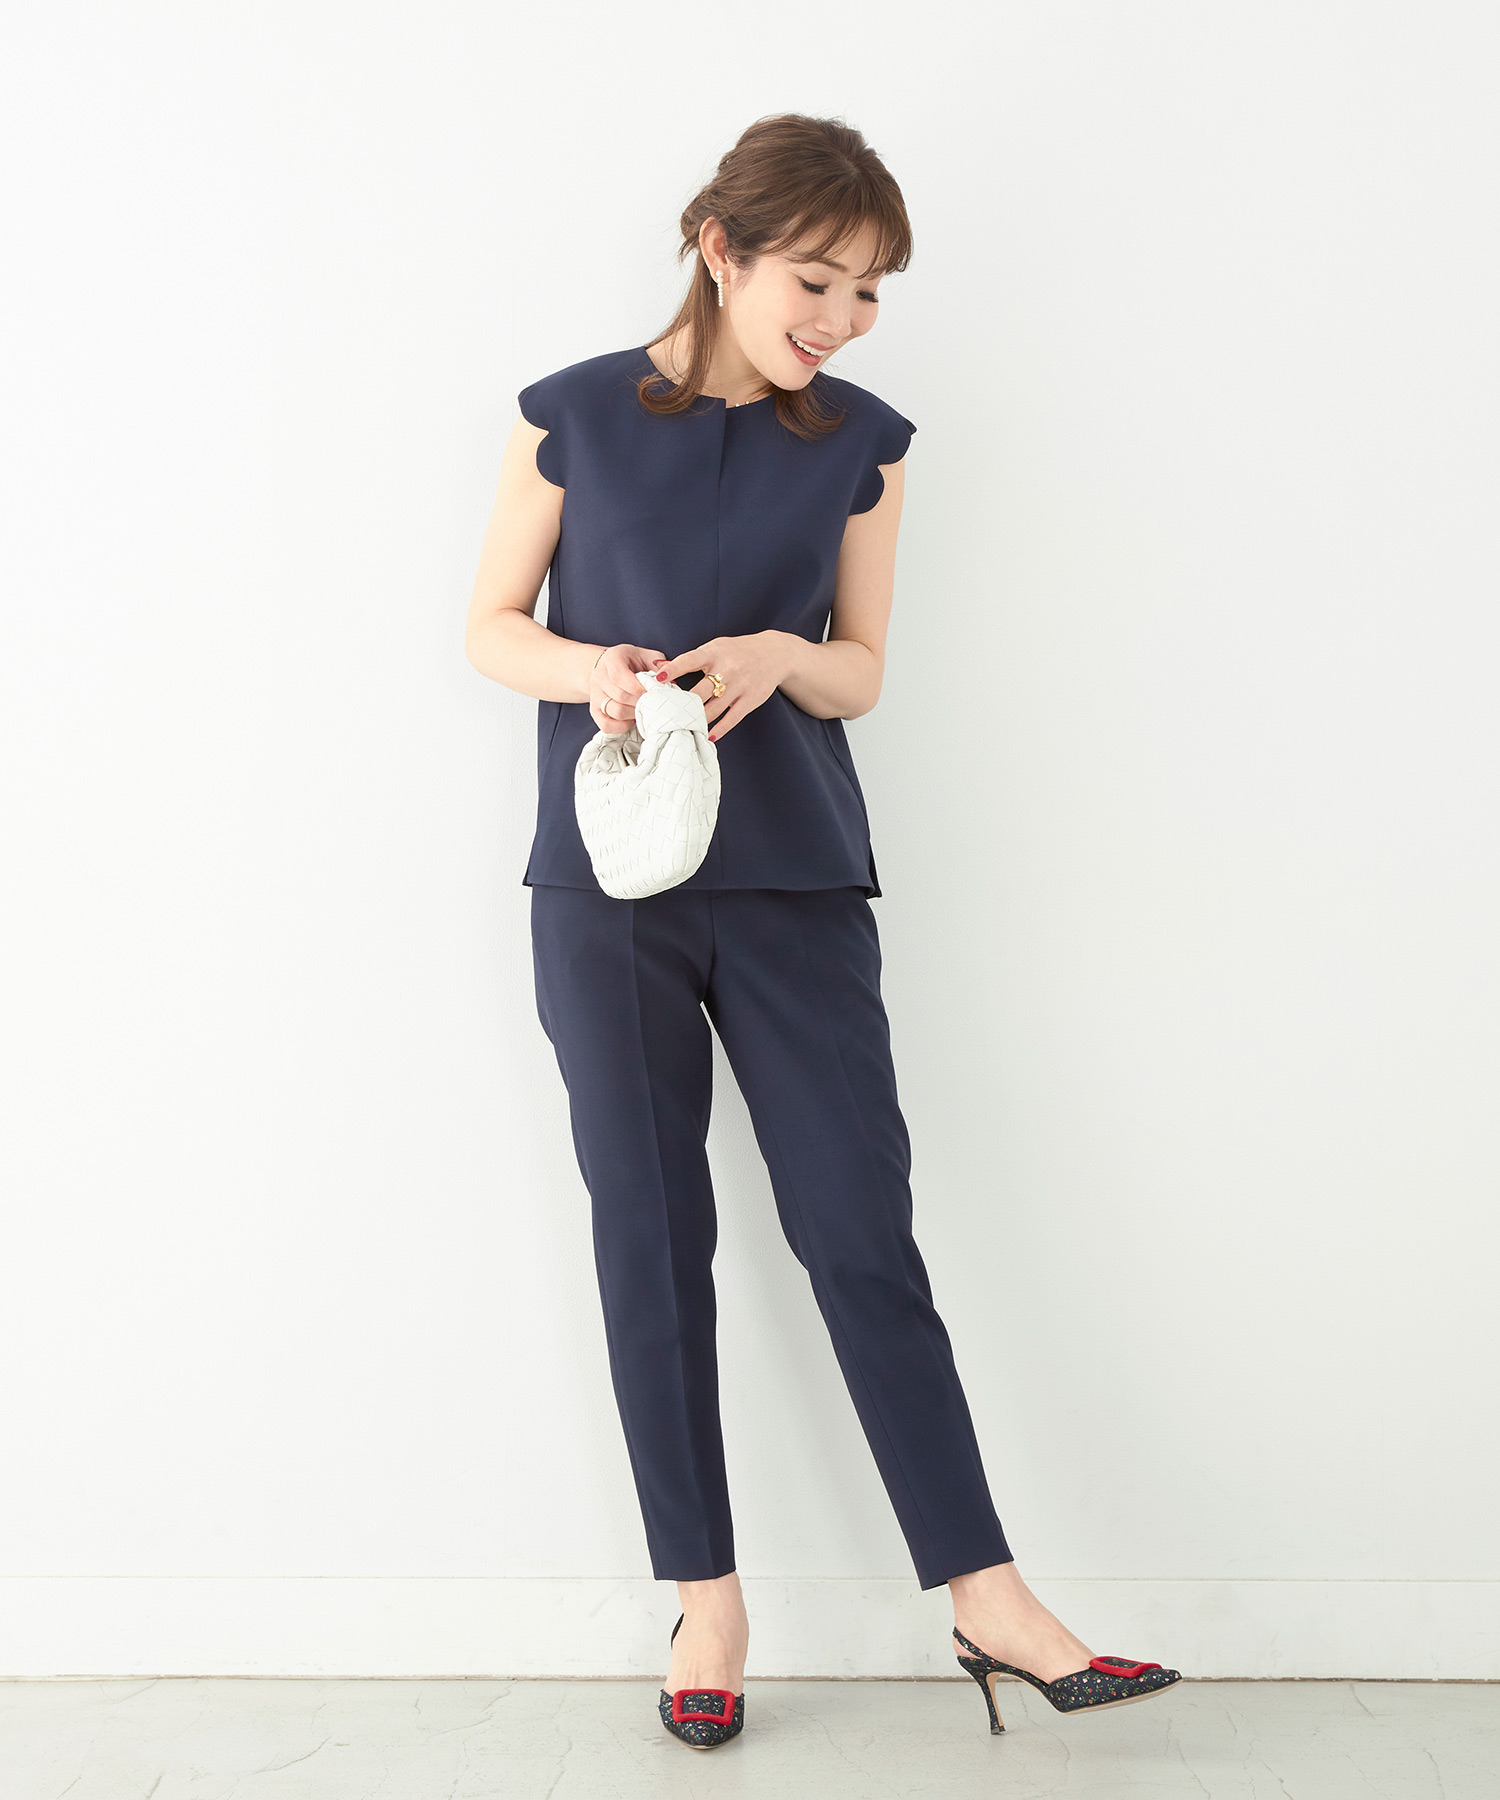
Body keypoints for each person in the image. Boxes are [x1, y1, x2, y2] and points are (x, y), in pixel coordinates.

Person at [465, 112, 1181, 1749]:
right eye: (819, 281)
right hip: (610, 883)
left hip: (797, 879)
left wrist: (783, 658)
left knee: (860, 1228)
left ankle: (986, 1595)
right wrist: (596, 673)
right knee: (651, 1240)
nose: (845, 320)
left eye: (870, 292)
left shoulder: (864, 441)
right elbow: (490, 625)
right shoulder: (566, 416)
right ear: (719, 249)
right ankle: (705, 1606)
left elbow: (861, 666)